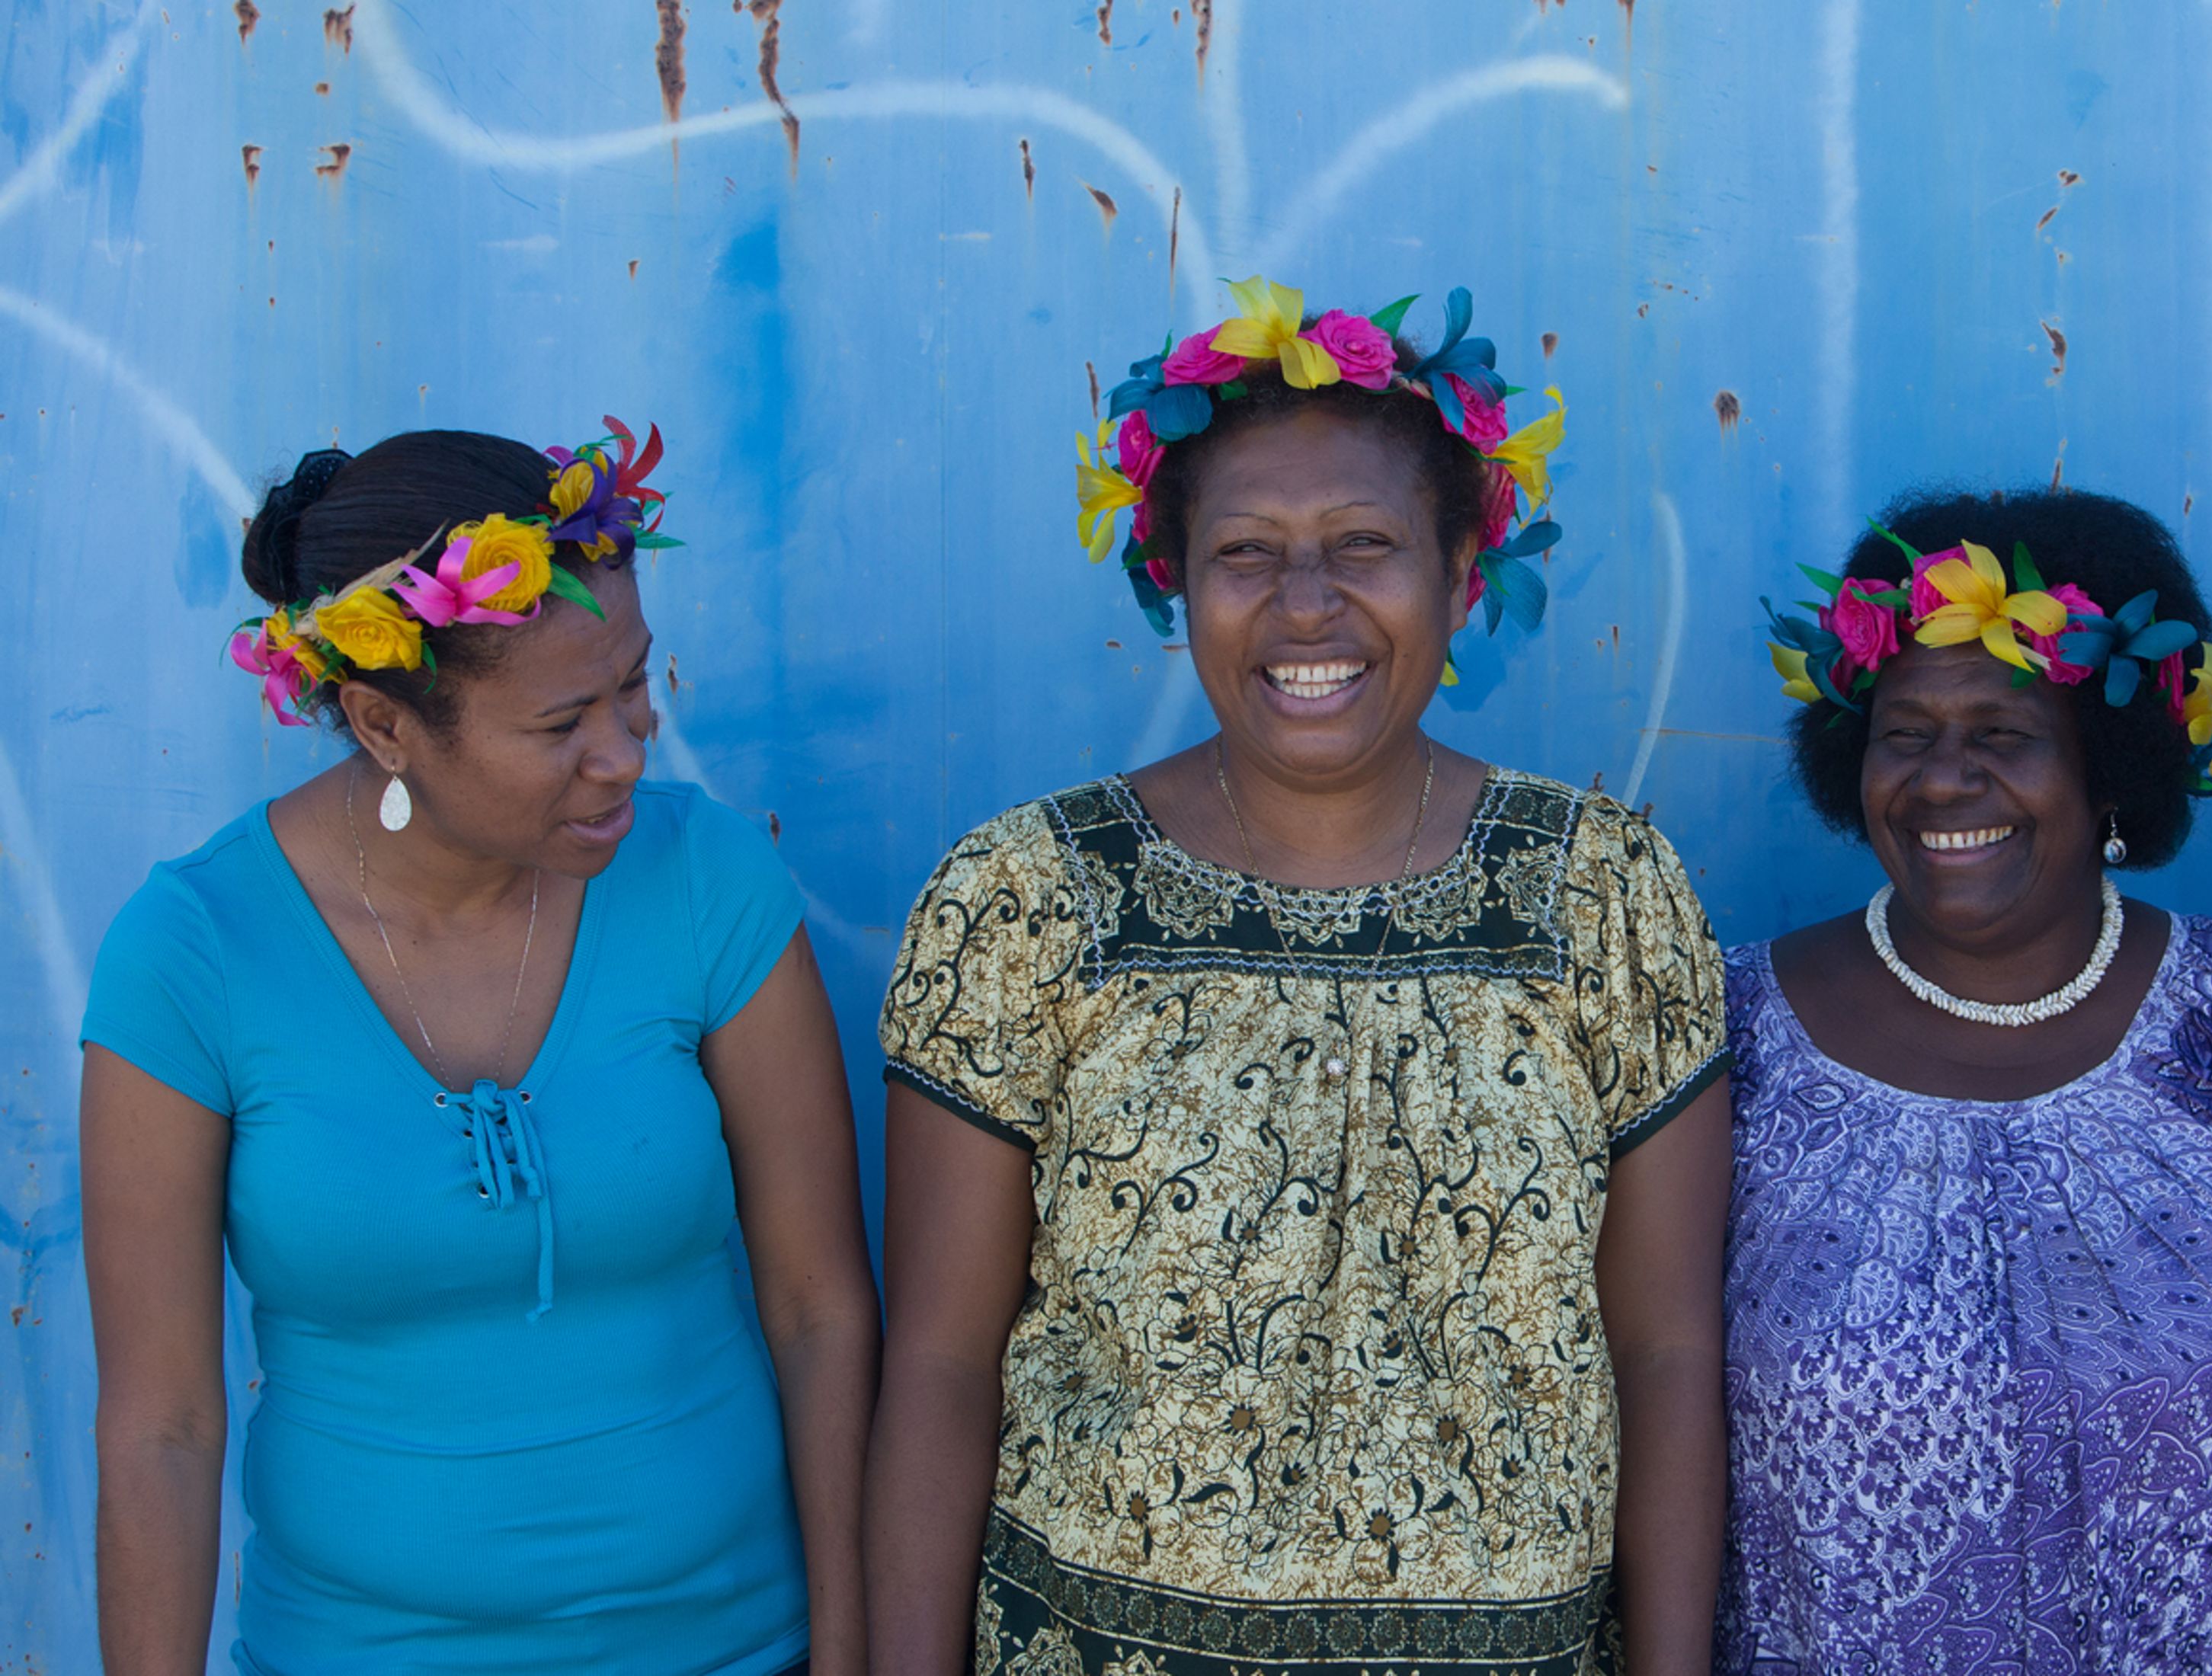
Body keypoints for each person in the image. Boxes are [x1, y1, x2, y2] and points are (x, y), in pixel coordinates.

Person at [866, 277, 1733, 1676]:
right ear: (1179, 582)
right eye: (1247, 553)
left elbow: (1672, 1352)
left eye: (1366, 545)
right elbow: (943, 1365)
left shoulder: (1604, 893)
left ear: (1462, 576)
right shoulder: (1030, 895)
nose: (1307, 606)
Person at [80, 425, 877, 1675]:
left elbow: (820, 1306)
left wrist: (849, 1649)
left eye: (633, 686)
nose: (625, 752)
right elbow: (163, 1428)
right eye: (562, 722)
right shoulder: (196, 952)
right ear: (382, 725)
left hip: (734, 1648)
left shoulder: (704, 878)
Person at [1719, 489, 2212, 1674]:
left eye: (2003, 735)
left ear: (2110, 771)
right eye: (1908, 732)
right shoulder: (1732, 1034)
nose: (1943, 780)